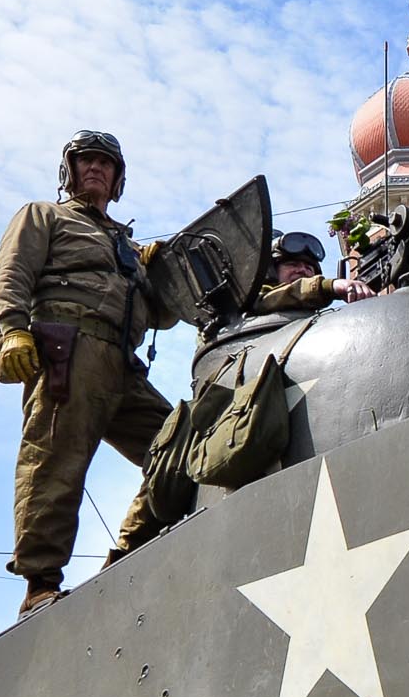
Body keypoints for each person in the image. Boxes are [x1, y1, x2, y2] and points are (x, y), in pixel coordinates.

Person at [0, 130, 182, 617]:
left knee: (180, 446)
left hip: (122, 364)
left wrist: (160, 274)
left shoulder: (128, 247)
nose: (95, 169)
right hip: (67, 350)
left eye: (105, 163)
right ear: (69, 171)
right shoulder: (44, 216)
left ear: (119, 178)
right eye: (86, 162)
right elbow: (13, 272)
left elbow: (162, 315)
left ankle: (128, 553)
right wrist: (12, 330)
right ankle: (39, 586)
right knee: (54, 463)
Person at [104, 232, 372, 562]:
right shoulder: (245, 300)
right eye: (291, 264)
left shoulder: (316, 325)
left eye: (309, 266)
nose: (302, 271)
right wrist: (329, 287)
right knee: (165, 473)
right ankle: (123, 554)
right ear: (271, 272)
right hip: (219, 407)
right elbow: (268, 299)